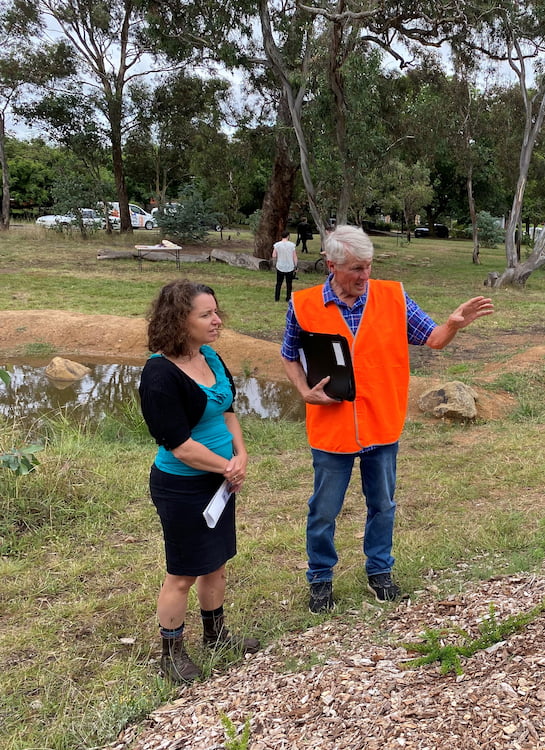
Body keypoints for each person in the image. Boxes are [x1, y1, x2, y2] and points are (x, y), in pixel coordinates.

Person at [280, 225, 494, 613]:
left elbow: (433, 338)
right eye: (356, 269)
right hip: (331, 427)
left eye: (369, 266)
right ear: (331, 265)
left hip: (382, 423)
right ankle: (320, 580)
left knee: (382, 504)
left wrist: (454, 325)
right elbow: (288, 353)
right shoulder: (303, 304)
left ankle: (380, 572)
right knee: (324, 510)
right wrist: (303, 389)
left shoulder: (393, 296)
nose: (365, 276)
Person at [139, 280, 260, 682]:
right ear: (178, 320)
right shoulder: (159, 374)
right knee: (183, 572)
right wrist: (227, 467)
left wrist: (239, 456)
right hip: (182, 487)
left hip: (220, 483)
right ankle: (170, 654)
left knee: (217, 564)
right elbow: (180, 445)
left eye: (216, 312)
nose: (217, 320)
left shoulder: (210, 355)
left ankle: (217, 636)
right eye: (205, 315)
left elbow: (228, 412)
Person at [272, 229, 298, 303]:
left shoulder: (277, 245)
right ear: (288, 236)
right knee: (289, 283)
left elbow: (274, 255)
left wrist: (275, 262)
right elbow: (294, 256)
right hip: (289, 266)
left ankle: (277, 297)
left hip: (280, 265)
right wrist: (296, 265)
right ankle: (288, 297)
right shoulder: (292, 245)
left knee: (279, 283)